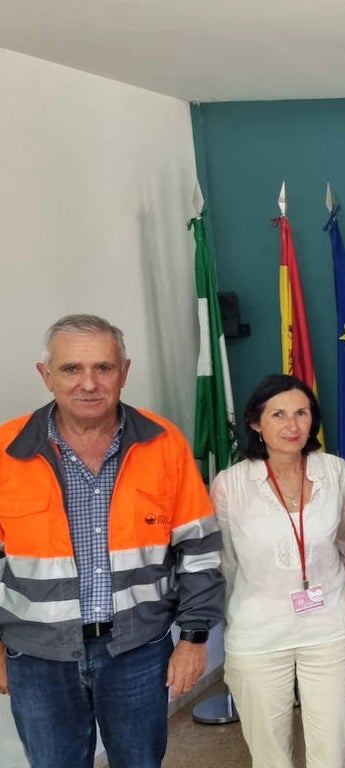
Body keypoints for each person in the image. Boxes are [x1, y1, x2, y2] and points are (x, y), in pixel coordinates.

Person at [0, 313, 224, 767]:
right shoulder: (7, 450)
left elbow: (198, 548)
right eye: (71, 369)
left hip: (137, 651)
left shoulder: (164, 444)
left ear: (124, 371)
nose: (89, 383)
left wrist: (194, 637)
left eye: (103, 367)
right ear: (46, 376)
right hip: (39, 656)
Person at [210, 374, 345, 767]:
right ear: (256, 423)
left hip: (329, 630)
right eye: (277, 414)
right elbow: (226, 563)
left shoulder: (336, 472)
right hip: (257, 636)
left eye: (301, 413)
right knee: (270, 758)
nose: (292, 426)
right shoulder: (230, 484)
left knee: (333, 755)